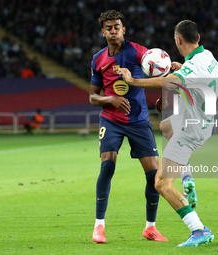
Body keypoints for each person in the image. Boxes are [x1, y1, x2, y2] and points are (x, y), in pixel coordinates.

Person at [118, 20, 218, 247]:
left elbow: (172, 82)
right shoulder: (208, 58)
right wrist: (179, 68)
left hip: (190, 130)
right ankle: (188, 178)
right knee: (165, 127)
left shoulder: (191, 69)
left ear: (178, 40)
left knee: (161, 183)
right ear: (198, 38)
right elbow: (186, 77)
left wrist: (134, 81)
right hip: (201, 121)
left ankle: (199, 230)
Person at [89, 10, 168, 243]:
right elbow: (93, 97)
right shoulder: (98, 59)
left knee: (154, 175)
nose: (113, 31)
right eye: (109, 27)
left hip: (139, 121)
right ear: (103, 31)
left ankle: (150, 227)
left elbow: (163, 70)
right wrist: (110, 99)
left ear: (124, 29)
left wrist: (163, 96)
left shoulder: (138, 52)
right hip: (111, 120)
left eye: (117, 27)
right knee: (107, 167)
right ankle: (99, 227)